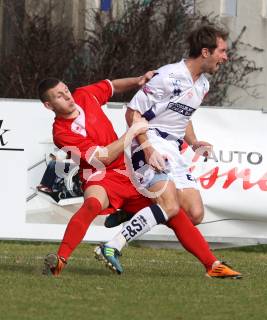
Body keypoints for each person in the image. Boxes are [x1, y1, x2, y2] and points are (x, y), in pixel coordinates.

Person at [38, 72, 241, 279]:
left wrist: (137, 80)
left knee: (173, 212)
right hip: (97, 174)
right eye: (59, 96)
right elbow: (103, 158)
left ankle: (212, 265)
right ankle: (60, 261)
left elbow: (111, 86)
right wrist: (133, 132)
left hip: (127, 172)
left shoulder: (83, 95)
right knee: (91, 205)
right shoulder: (61, 133)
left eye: (66, 90)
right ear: (48, 105)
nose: (67, 96)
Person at [101, 24, 232, 275]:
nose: (225, 57)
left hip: (173, 146)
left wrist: (193, 142)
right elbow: (132, 113)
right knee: (170, 205)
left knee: (194, 213)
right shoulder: (168, 76)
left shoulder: (203, 84)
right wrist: (148, 148)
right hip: (146, 141)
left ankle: (133, 210)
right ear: (205, 52)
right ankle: (112, 246)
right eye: (222, 51)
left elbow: (184, 116)